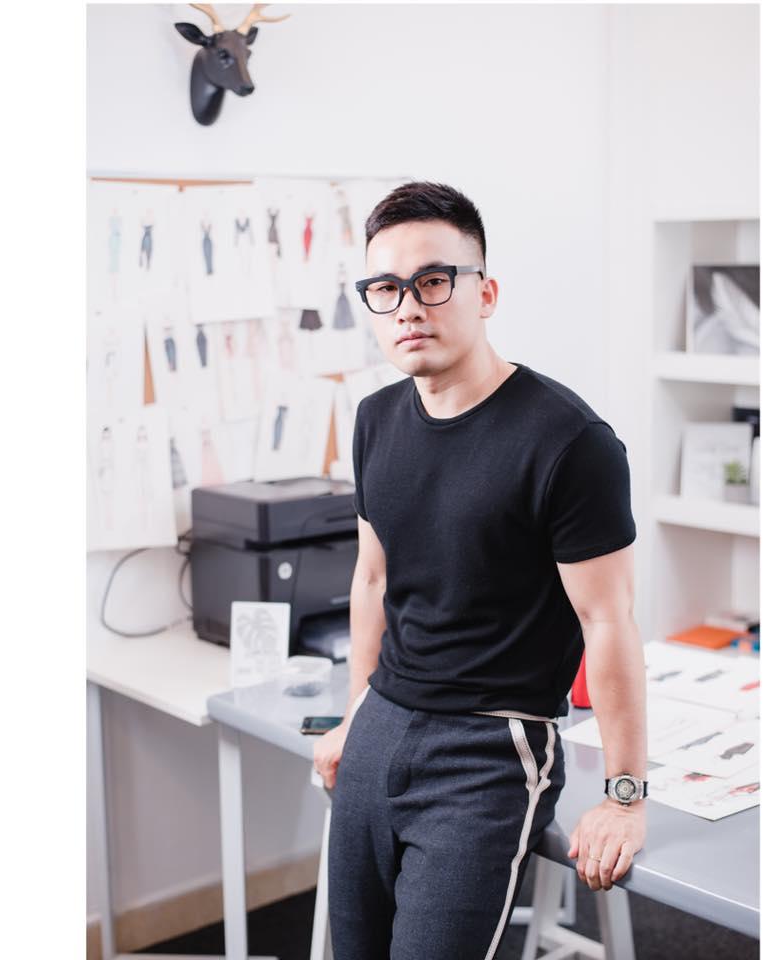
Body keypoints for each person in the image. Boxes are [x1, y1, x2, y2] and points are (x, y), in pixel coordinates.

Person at [313, 181, 647, 959]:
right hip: (380, 724)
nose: (408, 307)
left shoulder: (569, 442)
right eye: (385, 288)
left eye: (433, 280)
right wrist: (354, 712)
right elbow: (373, 579)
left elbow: (608, 622)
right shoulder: (375, 420)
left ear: (485, 293)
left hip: (489, 750)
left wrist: (625, 796)